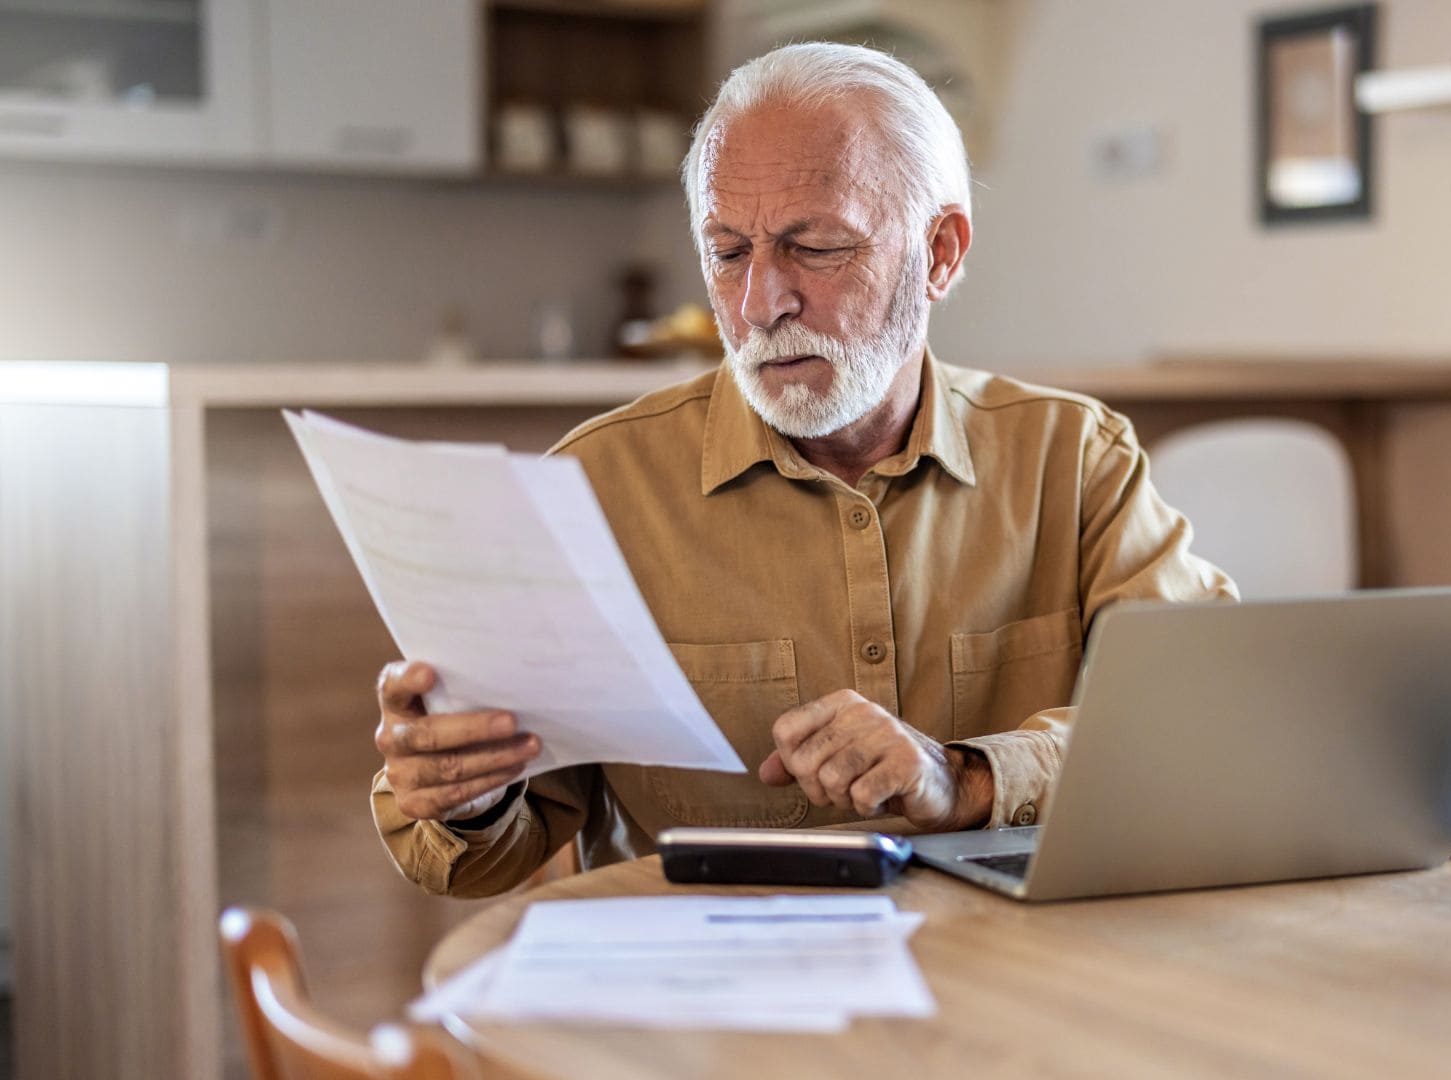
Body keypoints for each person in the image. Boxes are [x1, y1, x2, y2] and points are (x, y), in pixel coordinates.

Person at [370, 42, 1235, 897]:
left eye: (814, 247)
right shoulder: (591, 491)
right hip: (707, 1003)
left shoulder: (1074, 459)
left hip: (1013, 985)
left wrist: (964, 778)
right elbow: (480, 854)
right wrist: (470, 799)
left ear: (940, 253)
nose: (758, 304)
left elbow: (1207, 724)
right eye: (727, 251)